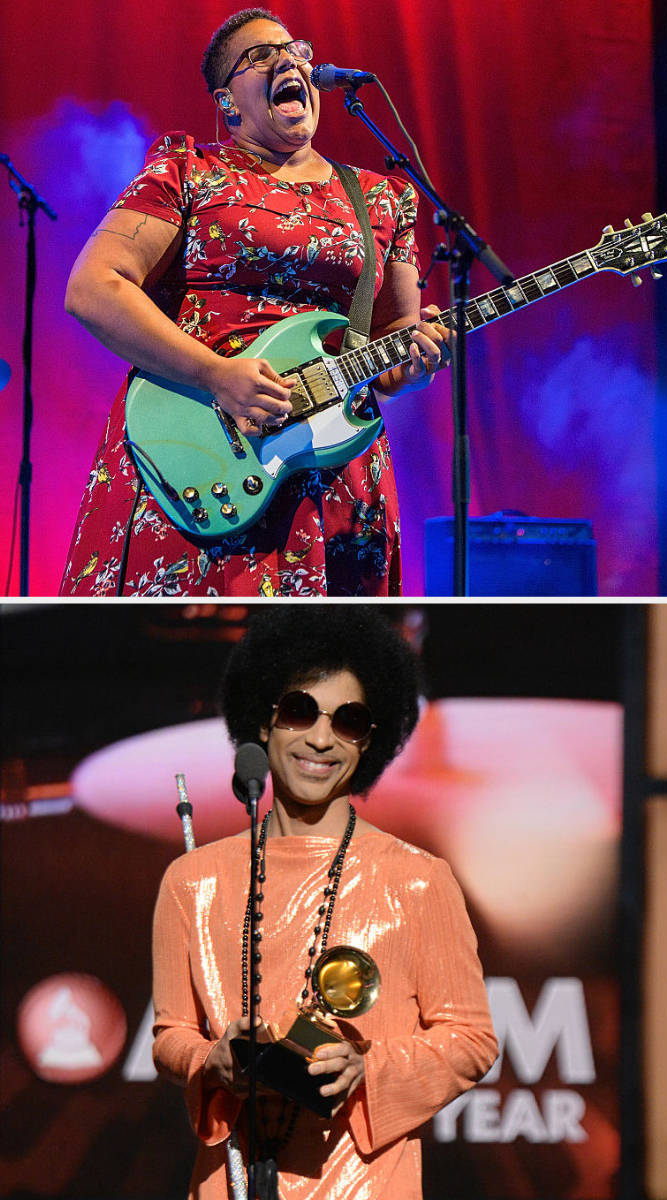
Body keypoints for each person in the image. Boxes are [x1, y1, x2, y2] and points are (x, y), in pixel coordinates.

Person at [60, 8, 452, 598]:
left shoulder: (383, 197)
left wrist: (417, 361)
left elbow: (391, 350)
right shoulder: (188, 172)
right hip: (196, 451)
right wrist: (216, 374)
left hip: (329, 470)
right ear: (228, 102)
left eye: (296, 49)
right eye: (262, 55)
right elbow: (94, 287)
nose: (289, 60)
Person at [151, 607, 498, 1199]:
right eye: (299, 710)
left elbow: (470, 1038)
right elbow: (170, 1034)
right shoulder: (193, 880)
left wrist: (369, 1069)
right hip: (231, 1182)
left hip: (364, 1183)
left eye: (350, 721)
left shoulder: (418, 880)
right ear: (262, 722)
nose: (320, 737)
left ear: (371, 739)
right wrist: (215, 1062)